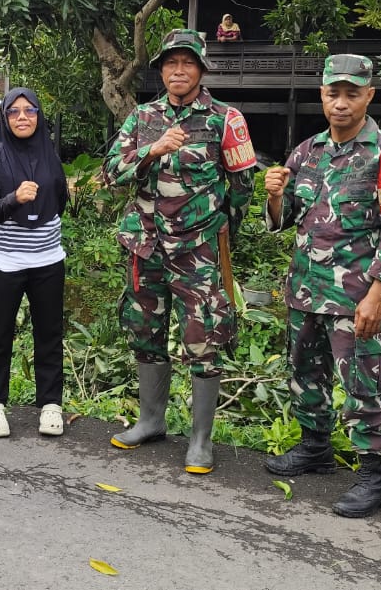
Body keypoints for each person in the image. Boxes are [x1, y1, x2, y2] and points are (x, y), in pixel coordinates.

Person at [262, 53, 381, 518]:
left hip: (355, 296)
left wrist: (378, 293)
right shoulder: (306, 152)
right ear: (322, 95)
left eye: (353, 93)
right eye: (334, 93)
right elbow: (283, 221)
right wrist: (274, 196)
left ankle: (374, 477)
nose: (342, 103)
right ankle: (315, 447)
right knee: (304, 375)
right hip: (305, 290)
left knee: (364, 383)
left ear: (369, 95)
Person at [104, 28, 256, 473]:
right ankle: (151, 421)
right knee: (144, 331)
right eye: (171, 63)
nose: (179, 70)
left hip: (197, 250)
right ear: (161, 70)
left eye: (188, 62)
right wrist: (152, 150)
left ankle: (200, 440)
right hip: (145, 245)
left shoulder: (226, 119)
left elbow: (242, 185)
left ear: (201, 69)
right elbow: (111, 172)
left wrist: (223, 227)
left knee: (203, 338)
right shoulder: (142, 117)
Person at [0, 89, 69, 438]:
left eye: (30, 110)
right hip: (4, 262)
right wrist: (15, 199)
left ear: (39, 116)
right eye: (13, 112)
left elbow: (59, 203)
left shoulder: (51, 157)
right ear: (4, 118)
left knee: (49, 334)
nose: (22, 117)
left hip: (47, 259)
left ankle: (51, 404)